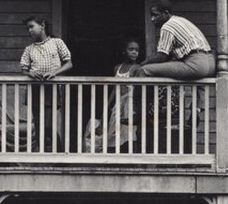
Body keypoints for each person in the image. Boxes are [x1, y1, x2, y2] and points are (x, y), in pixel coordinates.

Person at [20, 16, 72, 152]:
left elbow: (69, 63)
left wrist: (55, 72)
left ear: (42, 25)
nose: (29, 30)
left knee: (48, 125)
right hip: (35, 88)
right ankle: (42, 156)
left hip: (51, 88)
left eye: (32, 27)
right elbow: (24, 69)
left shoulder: (56, 42)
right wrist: (30, 74)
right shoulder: (29, 49)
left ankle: (60, 153)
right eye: (28, 28)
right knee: (39, 126)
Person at [130, 0, 214, 80]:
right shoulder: (181, 20)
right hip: (211, 64)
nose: (152, 19)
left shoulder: (167, 26)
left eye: (155, 15)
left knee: (144, 70)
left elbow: (161, 57)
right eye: (151, 16)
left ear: (166, 13)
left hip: (196, 64)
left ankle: (138, 95)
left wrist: (141, 64)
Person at [83, 38, 141, 153]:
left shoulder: (137, 68)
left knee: (129, 133)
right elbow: (115, 90)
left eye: (137, 50)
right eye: (131, 49)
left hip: (129, 104)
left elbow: (137, 91)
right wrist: (107, 107)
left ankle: (132, 158)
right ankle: (116, 158)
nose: (134, 52)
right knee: (114, 132)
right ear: (124, 51)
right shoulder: (117, 68)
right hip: (118, 104)